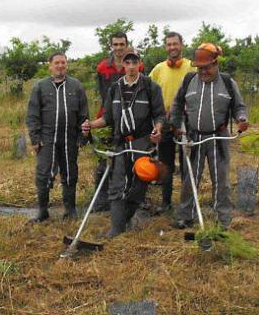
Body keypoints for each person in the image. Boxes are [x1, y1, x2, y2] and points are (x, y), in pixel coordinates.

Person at [82, 48, 165, 237]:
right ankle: (116, 229)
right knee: (117, 185)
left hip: (143, 143)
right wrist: (90, 125)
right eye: (127, 63)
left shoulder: (151, 87)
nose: (131, 66)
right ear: (122, 65)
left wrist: (158, 129)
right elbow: (107, 118)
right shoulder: (115, 89)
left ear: (139, 64)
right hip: (120, 143)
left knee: (140, 184)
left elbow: (159, 115)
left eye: (134, 62)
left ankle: (125, 219)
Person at [169, 43, 249, 230]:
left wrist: (242, 119)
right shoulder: (189, 81)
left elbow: (239, 107)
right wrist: (175, 124)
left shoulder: (227, 83)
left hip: (219, 139)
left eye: (207, 67)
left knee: (221, 181)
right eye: (200, 68)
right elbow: (177, 104)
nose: (203, 71)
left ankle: (222, 219)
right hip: (193, 138)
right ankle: (185, 216)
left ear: (216, 63)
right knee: (190, 178)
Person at [26, 52, 89, 223]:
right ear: (50, 65)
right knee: (44, 174)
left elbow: (84, 114)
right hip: (47, 139)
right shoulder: (40, 87)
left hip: (69, 139)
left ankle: (70, 210)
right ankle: (42, 211)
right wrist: (35, 138)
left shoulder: (76, 86)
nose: (60, 66)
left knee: (70, 173)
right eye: (57, 63)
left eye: (63, 62)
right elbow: (32, 115)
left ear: (66, 65)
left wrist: (83, 137)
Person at [90, 32, 145, 212]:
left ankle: (134, 198)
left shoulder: (136, 65)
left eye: (122, 44)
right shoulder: (102, 68)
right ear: (111, 46)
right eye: (116, 44)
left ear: (126, 44)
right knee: (105, 160)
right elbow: (103, 94)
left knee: (134, 158)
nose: (119, 48)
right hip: (109, 117)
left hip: (132, 120)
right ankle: (101, 199)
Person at [148, 31, 195, 214]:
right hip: (164, 123)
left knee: (187, 164)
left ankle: (186, 204)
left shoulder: (192, 67)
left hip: (187, 122)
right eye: (169, 44)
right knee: (165, 164)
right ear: (165, 47)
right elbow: (147, 89)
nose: (172, 47)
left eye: (175, 44)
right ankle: (166, 202)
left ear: (181, 45)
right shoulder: (159, 69)